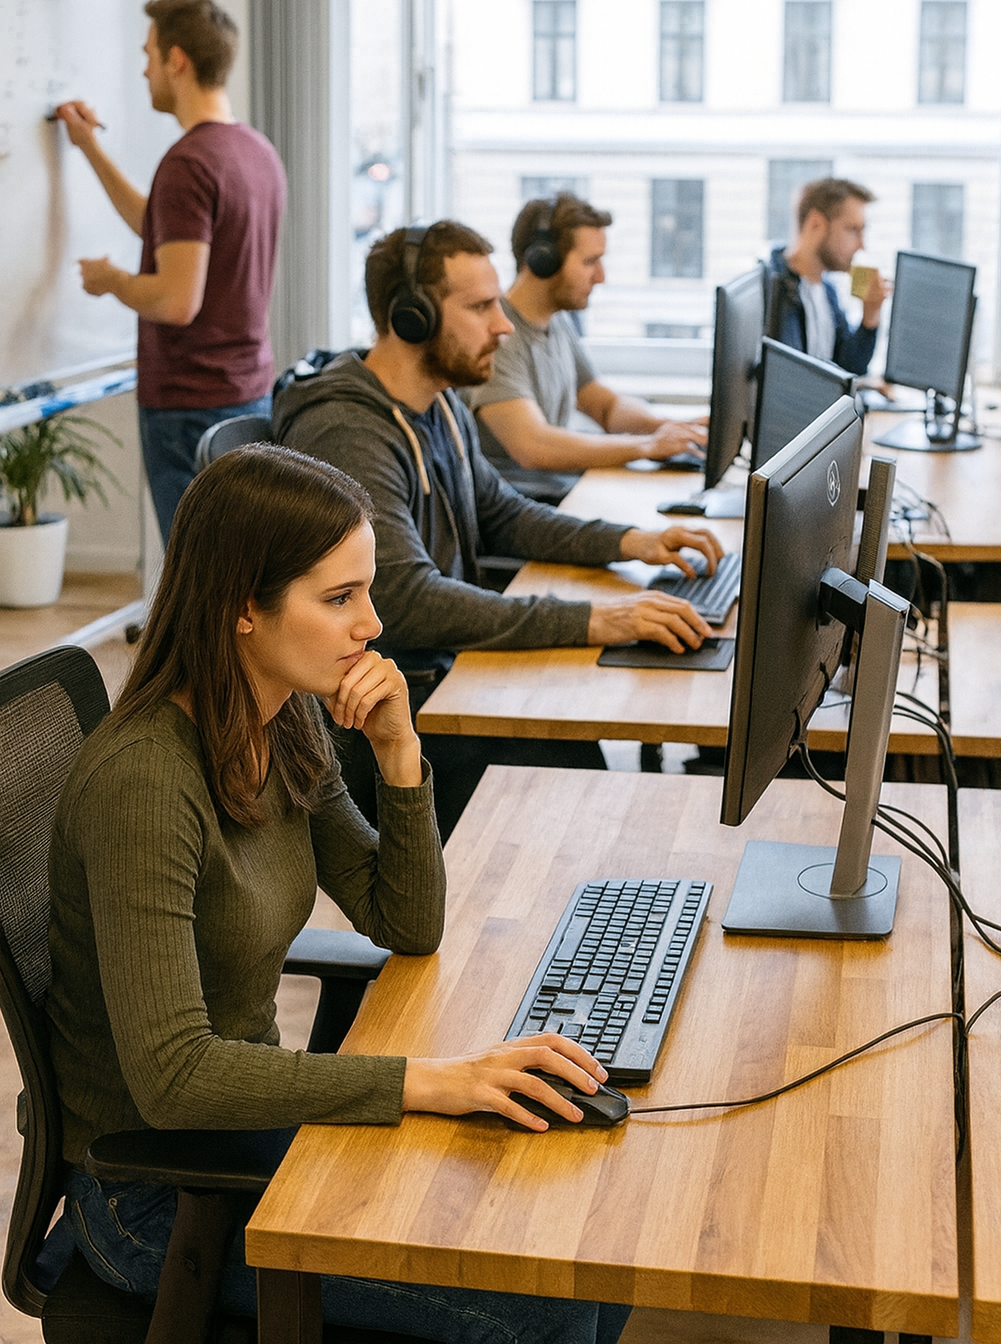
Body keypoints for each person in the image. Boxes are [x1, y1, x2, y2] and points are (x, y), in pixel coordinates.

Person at [46, 443, 631, 1344]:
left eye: (368, 591)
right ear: (243, 607)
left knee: (589, 1243)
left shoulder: (282, 717)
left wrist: (399, 751)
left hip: (251, 1131)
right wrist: (432, 1081)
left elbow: (406, 921)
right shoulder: (146, 784)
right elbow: (174, 1079)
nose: (373, 624)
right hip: (153, 1198)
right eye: (340, 598)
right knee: (553, 1304)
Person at [273, 219, 723, 838]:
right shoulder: (350, 433)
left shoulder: (438, 403)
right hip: (389, 709)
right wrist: (598, 618)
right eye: (481, 306)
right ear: (411, 318)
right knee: (578, 774)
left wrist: (630, 542)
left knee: (585, 713)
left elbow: (502, 512)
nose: (504, 325)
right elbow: (404, 601)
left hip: (447, 673)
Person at [54, 0, 287, 544]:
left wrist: (112, 282)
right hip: (247, 393)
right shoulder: (254, 151)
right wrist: (89, 148)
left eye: (149, 54)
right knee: (239, 564)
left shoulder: (188, 162)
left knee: (200, 574)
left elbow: (177, 301)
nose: (144, 70)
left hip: (189, 406)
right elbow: (160, 227)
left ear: (176, 60)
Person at [464, 193, 707, 503]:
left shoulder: (557, 321)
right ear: (543, 260)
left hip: (558, 493)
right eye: (590, 262)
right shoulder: (498, 337)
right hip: (524, 507)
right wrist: (646, 446)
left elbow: (604, 406)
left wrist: (674, 428)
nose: (601, 277)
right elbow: (532, 446)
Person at [764, 177, 887, 376]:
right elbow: (790, 377)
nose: (861, 245)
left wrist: (870, 315)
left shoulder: (826, 289)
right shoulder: (774, 290)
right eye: (852, 230)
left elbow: (849, 366)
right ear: (816, 224)